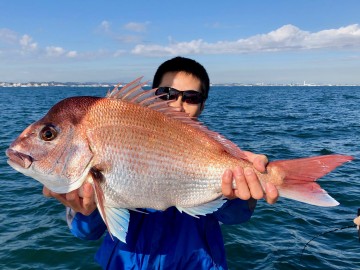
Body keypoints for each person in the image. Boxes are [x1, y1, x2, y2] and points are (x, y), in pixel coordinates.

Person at [43, 56, 279, 269]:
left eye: (191, 98)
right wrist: (86, 210)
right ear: (153, 95)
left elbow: (234, 218)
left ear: (202, 105)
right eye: (167, 94)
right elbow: (86, 233)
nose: (177, 104)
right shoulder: (118, 140)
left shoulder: (214, 150)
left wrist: (239, 194)